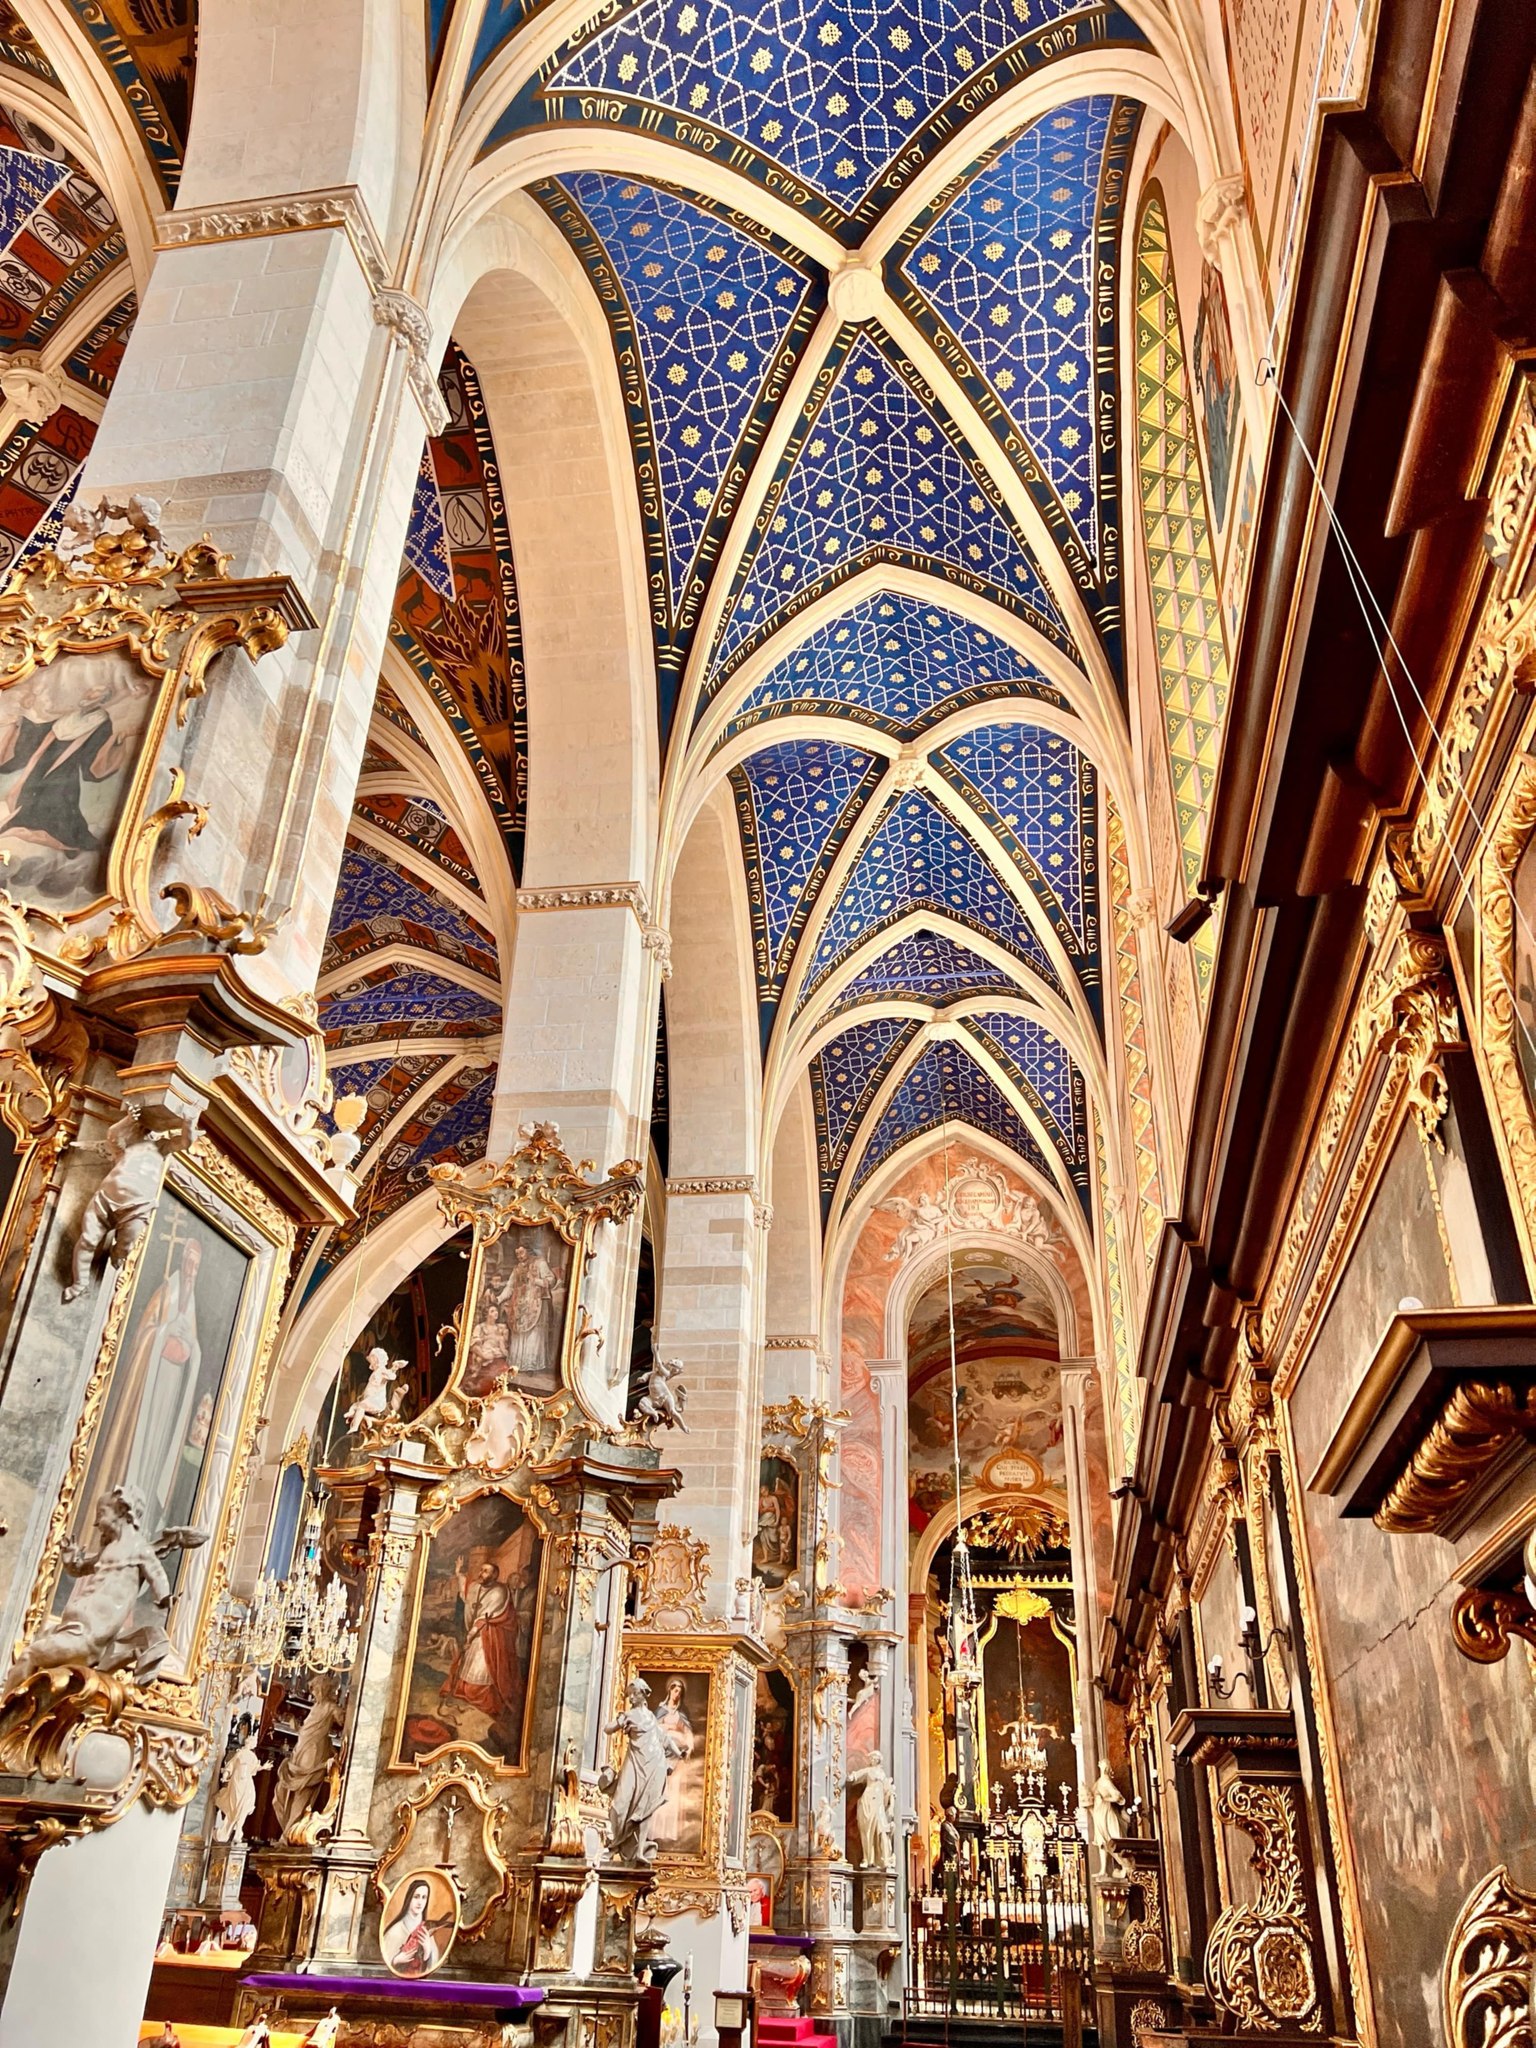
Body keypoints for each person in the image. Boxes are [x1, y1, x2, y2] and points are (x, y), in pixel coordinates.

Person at [439, 1559, 523, 1728]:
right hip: (477, 1631)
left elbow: (485, 1618)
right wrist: (458, 1572)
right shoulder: (476, 1587)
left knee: (482, 1664)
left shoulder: (499, 1592)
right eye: (481, 1570)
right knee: (468, 1664)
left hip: (490, 1634)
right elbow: (466, 1589)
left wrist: (470, 1637)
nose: (481, 1574)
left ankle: (481, 1697)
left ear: (494, 1575)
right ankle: (465, 1693)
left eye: (485, 1571)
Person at [499, 1237, 562, 1381]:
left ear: (528, 1251)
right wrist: (499, 1298)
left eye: (521, 1253)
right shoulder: (517, 1268)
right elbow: (509, 1286)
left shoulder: (540, 1263)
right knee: (519, 1334)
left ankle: (531, 1365)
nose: (519, 1256)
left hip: (537, 1303)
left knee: (534, 1335)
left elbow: (551, 1279)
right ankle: (517, 1365)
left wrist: (536, 1281)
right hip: (520, 1304)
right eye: (517, 1254)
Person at [649, 1679, 696, 1847]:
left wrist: (688, 1748)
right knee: (660, 1790)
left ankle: (669, 1833)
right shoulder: (661, 1710)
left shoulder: (681, 1714)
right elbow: (653, 1730)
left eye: (680, 1692)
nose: (677, 1694)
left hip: (677, 1759)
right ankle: (655, 1832)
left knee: (673, 1793)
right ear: (669, 1690)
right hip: (661, 1755)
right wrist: (667, 1730)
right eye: (675, 1690)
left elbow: (688, 1734)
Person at [380, 1875, 451, 1977]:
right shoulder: (394, 1932)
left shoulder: (427, 1931)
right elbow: (384, 1966)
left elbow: (433, 1967)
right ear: (409, 1898)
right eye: (416, 1897)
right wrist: (396, 1960)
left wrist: (427, 1951)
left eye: (424, 1897)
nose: (420, 1902)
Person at [211, 1732, 268, 1844]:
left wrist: (263, 1767)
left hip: (247, 1782)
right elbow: (231, 1766)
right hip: (237, 1782)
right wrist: (225, 1775)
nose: (255, 1744)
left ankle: (238, 1830)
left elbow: (254, 1769)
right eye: (254, 1742)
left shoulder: (252, 1756)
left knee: (245, 1805)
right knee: (234, 1805)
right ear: (249, 1742)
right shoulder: (240, 1754)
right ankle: (226, 1830)